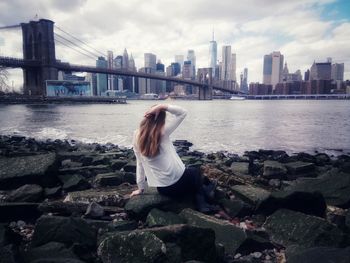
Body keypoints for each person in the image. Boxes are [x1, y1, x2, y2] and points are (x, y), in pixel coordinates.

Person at [130, 104, 216, 213]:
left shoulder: (136, 136)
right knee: (195, 172)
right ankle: (202, 203)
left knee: (190, 175)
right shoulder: (162, 132)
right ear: (162, 119)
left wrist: (141, 188)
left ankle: (205, 191)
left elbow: (140, 163)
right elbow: (182, 112)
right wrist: (162, 106)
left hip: (164, 189)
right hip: (179, 183)